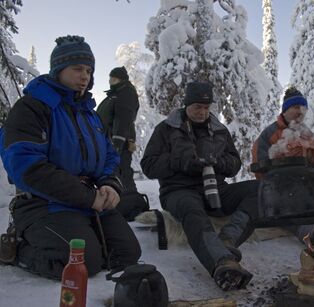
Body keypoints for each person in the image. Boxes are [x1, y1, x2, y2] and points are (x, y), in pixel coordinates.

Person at [0, 35, 141, 279]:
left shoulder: (89, 114)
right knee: (82, 263)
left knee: (127, 253)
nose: (85, 76)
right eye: (77, 69)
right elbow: (27, 169)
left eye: (88, 70)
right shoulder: (32, 108)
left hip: (86, 201)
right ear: (58, 70)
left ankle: (84, 237)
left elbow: (109, 156)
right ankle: (18, 248)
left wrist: (109, 184)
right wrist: (87, 197)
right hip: (43, 203)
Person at [141, 81, 258, 291]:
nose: (203, 112)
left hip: (216, 189)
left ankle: (229, 239)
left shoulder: (219, 130)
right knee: (191, 209)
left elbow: (235, 163)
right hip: (178, 191)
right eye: (197, 107)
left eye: (206, 107)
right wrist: (181, 162)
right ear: (186, 105)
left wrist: (219, 162)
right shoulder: (166, 129)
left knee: (260, 190)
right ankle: (222, 263)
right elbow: (148, 166)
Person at [252, 86, 314, 204]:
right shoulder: (269, 134)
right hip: (282, 189)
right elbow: (260, 169)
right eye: (296, 107)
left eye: (303, 108)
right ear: (285, 110)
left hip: (310, 186)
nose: (300, 112)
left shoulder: (309, 135)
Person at [97, 66, 149, 221]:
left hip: (118, 142)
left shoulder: (125, 92)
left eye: (114, 78)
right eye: (110, 78)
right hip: (109, 141)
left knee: (121, 171)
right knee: (117, 171)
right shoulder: (115, 94)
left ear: (121, 79)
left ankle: (131, 206)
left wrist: (117, 142)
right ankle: (122, 203)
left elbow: (124, 117)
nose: (110, 80)